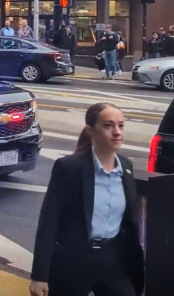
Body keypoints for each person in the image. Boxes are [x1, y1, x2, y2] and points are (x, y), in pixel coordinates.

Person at [29, 103, 143, 296]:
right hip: (74, 260)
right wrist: (39, 275)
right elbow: (49, 221)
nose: (117, 132)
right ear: (91, 131)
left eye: (120, 126)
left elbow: (130, 223)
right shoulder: (69, 168)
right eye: (108, 126)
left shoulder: (126, 166)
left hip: (113, 258)